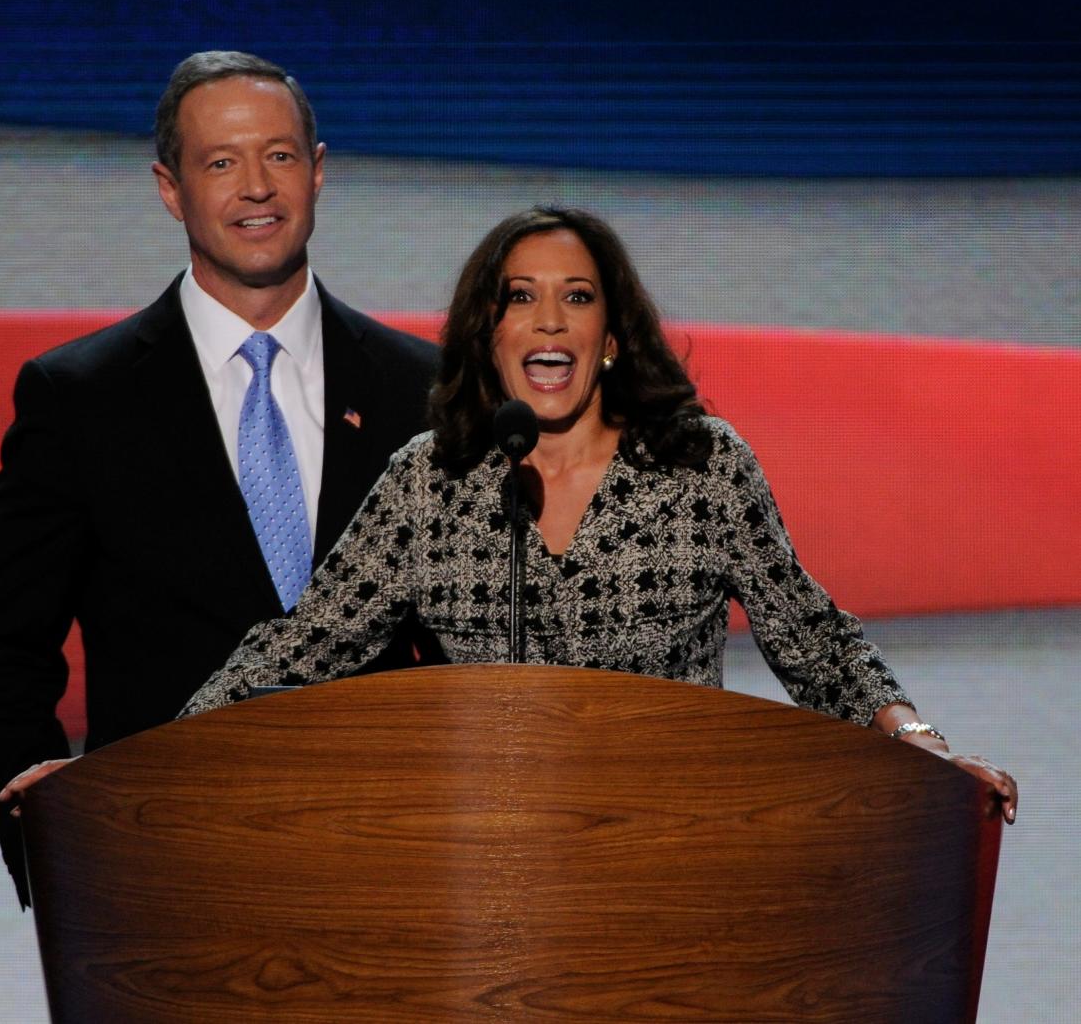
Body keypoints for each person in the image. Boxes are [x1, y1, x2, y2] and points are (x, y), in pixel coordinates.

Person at [171, 205, 1017, 821]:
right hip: (492, 854)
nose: (548, 319)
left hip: (676, 843)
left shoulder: (700, 465)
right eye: (519, 299)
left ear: (610, 337)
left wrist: (917, 741)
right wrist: (153, 762)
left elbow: (812, 637)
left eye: (576, 297)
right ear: (488, 335)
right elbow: (302, 644)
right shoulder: (428, 482)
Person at [0, 50, 439, 907]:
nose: (257, 187)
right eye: (221, 162)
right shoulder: (80, 398)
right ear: (169, 188)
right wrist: (56, 831)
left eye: (280, 156)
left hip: (395, 863)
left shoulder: (424, 391)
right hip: (168, 874)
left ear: (318, 173)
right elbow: (2, 649)